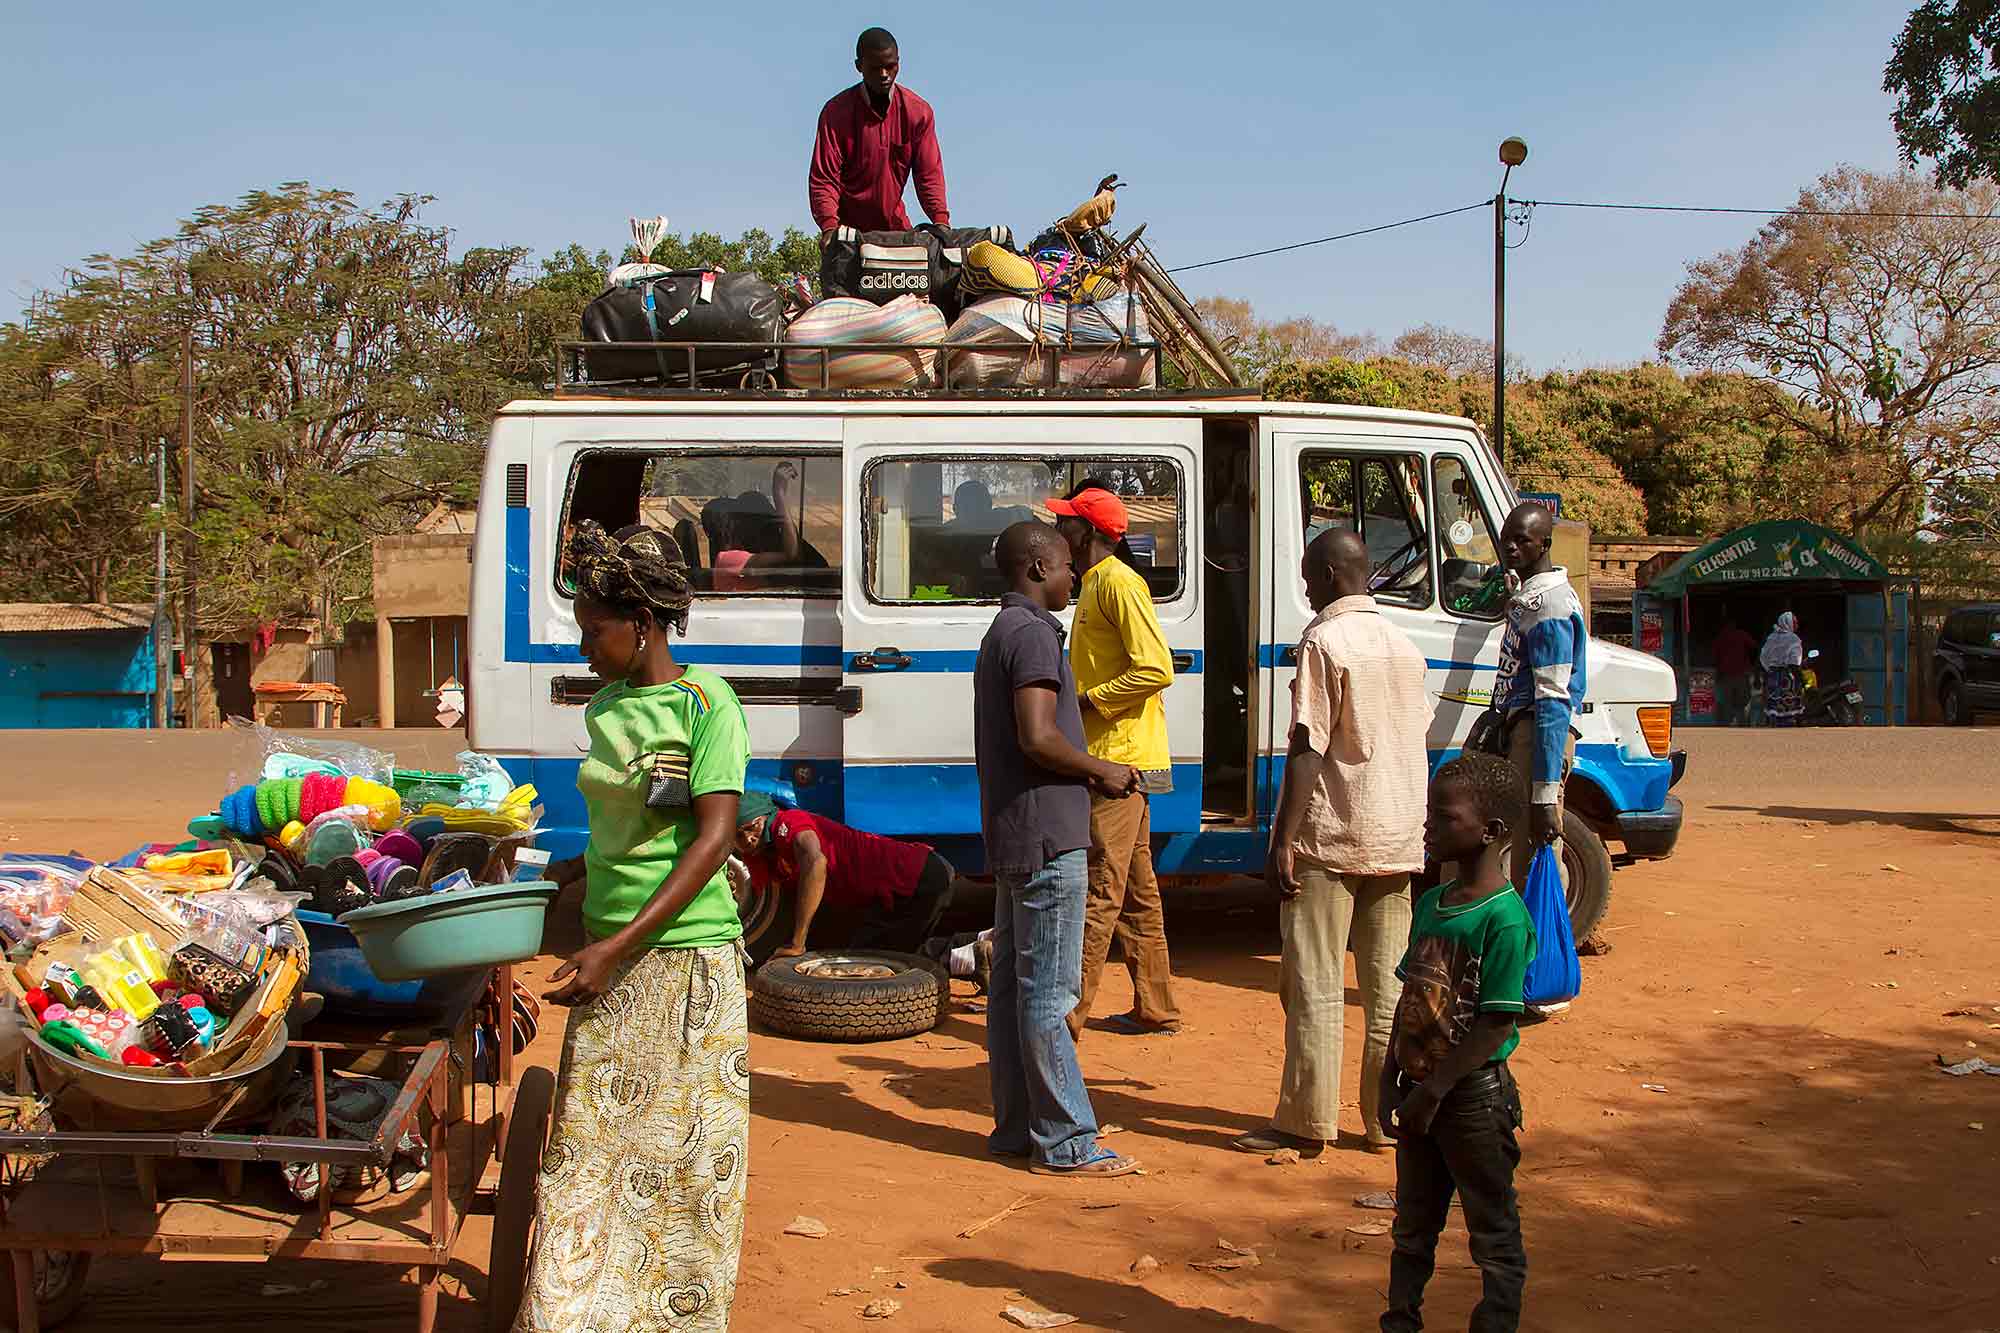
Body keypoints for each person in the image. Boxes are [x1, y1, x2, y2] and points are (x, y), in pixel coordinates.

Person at [515, 521, 750, 1333]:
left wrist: (617, 946)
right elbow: (625, 831)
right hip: (608, 956)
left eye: (594, 632)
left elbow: (712, 839)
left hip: (681, 968)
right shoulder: (611, 705)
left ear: (641, 623)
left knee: (683, 1165)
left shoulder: (708, 703)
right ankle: (569, 1314)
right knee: (586, 1156)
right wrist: (566, 878)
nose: (585, 650)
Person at [1236, 529, 1432, 1158]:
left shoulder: (1324, 641)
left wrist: (1282, 839)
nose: (1304, 588)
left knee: (1314, 985)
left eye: (1307, 576)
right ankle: (1382, 1122)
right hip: (1398, 835)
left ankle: (1306, 1122)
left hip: (1334, 834)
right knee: (1389, 990)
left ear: (1327, 574)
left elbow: (1308, 746)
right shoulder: (1405, 645)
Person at [973, 520, 1142, 1177]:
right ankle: (1067, 1140)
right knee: (1049, 991)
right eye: (1069, 565)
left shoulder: (1003, 632)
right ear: (1039, 565)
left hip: (1020, 831)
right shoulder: (1034, 634)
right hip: (1048, 836)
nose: (1076, 577)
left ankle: (1018, 1128)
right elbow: (1038, 737)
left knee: (1015, 989)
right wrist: (1101, 769)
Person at [1380, 753, 1535, 1333]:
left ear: (1491, 832)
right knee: (1413, 1227)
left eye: (1444, 818)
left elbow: (1495, 1023)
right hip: (1420, 1089)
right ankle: (1399, 1322)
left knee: (1492, 1232)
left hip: (1471, 1100)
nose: (1429, 827)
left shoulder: (1505, 920)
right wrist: (1387, 1078)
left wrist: (1435, 1089)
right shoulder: (1432, 903)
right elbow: (1412, 998)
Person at [1047, 484, 1183, 1040]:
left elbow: (1156, 668)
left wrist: (1086, 701)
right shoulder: (1099, 584)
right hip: (1126, 758)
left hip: (1118, 762)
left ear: (1092, 533)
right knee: (1135, 892)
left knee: (1100, 888)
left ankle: (1065, 1016)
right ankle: (1156, 1005)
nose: (1060, 532)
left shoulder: (1119, 584)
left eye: (1068, 524)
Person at [1471, 501, 1586, 887]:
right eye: (1506, 541)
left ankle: (1538, 945)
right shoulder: (1532, 596)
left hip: (1536, 733)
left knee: (1530, 859)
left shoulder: (1550, 606)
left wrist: (1545, 795)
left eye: (1522, 541)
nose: (1511, 549)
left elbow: (1553, 701)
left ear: (1545, 544)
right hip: (1519, 727)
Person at [733, 793, 955, 956]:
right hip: (879, 897)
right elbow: (766, 907)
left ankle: (973, 952)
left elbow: (815, 861)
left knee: (877, 962)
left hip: (917, 877)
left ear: (766, 817)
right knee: (854, 952)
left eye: (752, 828)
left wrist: (798, 941)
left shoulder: (789, 822)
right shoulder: (756, 854)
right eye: (738, 836)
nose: (748, 840)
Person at [808, 27, 950, 240]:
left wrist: (941, 221)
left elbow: (929, 174)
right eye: (875, 68)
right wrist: (829, 227)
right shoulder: (836, 114)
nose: (884, 74)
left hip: (896, 231)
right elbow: (824, 179)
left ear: (898, 62)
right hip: (848, 237)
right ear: (859, 66)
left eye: (890, 66)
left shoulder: (918, 113)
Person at [1761, 611, 1806, 726]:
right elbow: (1794, 662)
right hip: (1788, 676)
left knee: (1773, 700)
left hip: (1772, 674)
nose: (1797, 625)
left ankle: (1773, 722)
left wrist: (1770, 670)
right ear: (1788, 623)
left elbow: (1763, 657)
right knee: (1789, 701)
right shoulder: (1793, 639)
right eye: (1795, 623)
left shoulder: (1771, 637)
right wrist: (1801, 678)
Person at [1712, 615, 1758, 726]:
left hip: (1726, 675)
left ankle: (1728, 727)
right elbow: (1755, 648)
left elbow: (1715, 656)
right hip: (1741, 674)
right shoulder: (1741, 635)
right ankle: (1742, 726)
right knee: (1742, 704)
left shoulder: (1721, 637)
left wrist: (1718, 673)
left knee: (1727, 704)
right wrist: (1752, 666)